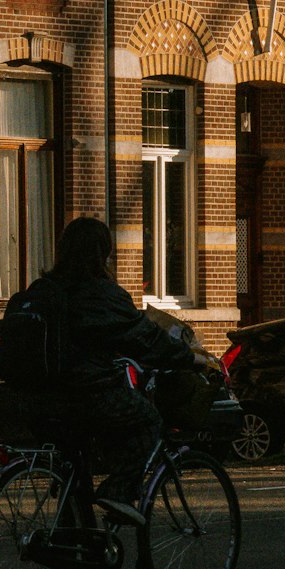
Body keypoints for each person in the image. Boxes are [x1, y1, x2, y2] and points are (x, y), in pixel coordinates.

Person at [45, 215, 198, 525]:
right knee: (147, 420)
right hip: (85, 395)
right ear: (103, 254)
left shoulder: (44, 289)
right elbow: (144, 338)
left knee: (75, 464)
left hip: (36, 400)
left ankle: (72, 542)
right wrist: (189, 356)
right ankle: (117, 491)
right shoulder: (102, 294)